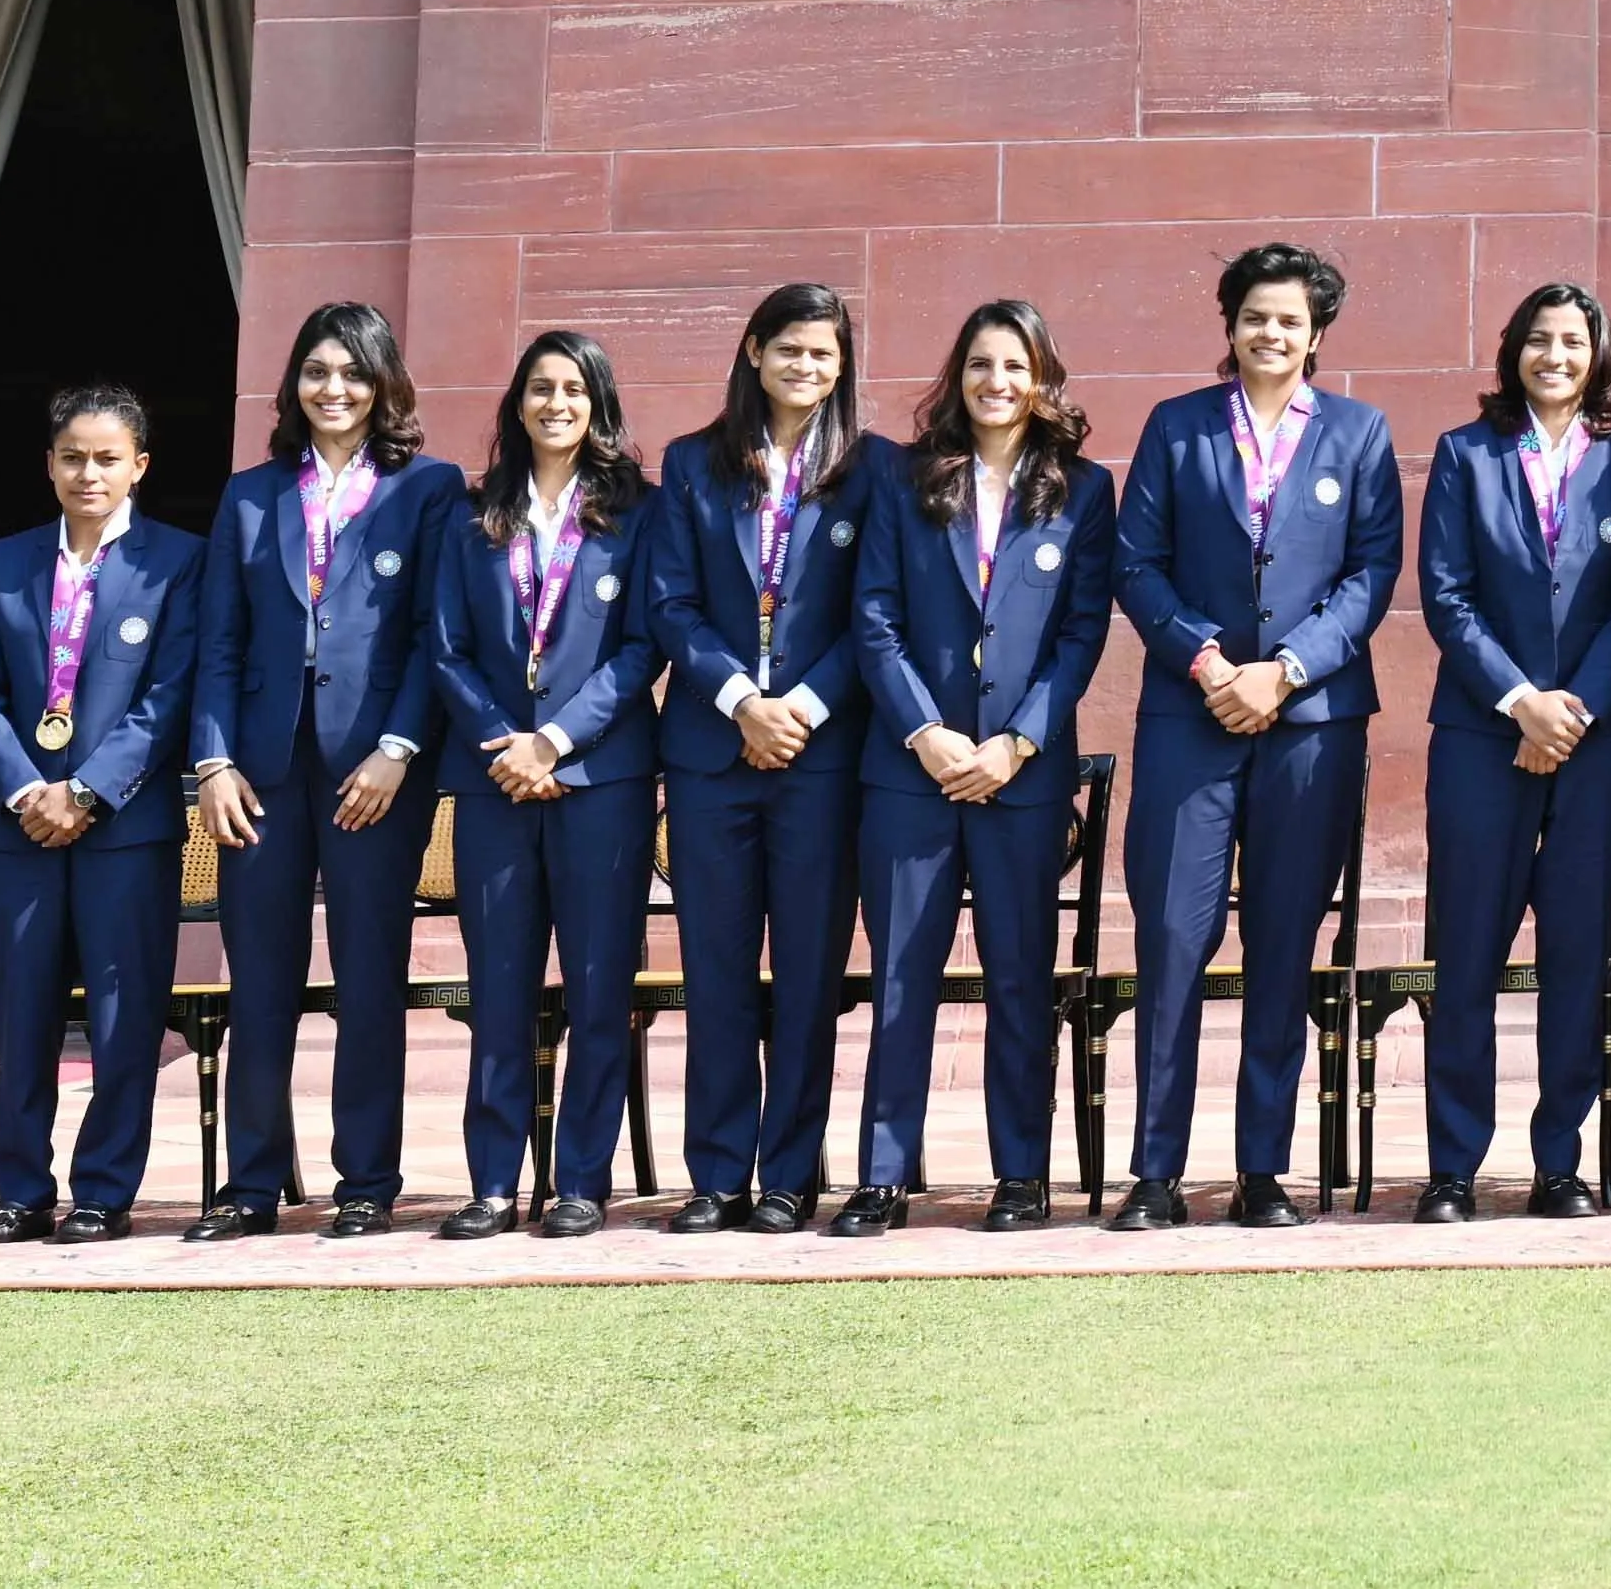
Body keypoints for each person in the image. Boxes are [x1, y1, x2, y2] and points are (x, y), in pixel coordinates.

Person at [1112, 241, 1400, 1230]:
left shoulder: (1359, 434)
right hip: (1191, 716)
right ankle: (1155, 1171)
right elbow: (1137, 563)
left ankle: (1261, 1168)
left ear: (1318, 333)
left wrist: (1286, 671)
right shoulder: (1177, 426)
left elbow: (1369, 577)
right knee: (1175, 938)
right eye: (1254, 315)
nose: (1271, 332)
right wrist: (1208, 662)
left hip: (1310, 722)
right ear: (1228, 324)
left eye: (1290, 319)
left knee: (1282, 942)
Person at [187, 300, 463, 1242]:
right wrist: (213, 761)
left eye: (352, 373)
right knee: (258, 979)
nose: (332, 389)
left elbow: (437, 638)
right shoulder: (250, 494)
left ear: (384, 384)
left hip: (373, 771)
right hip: (260, 770)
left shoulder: (429, 490)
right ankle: (252, 1185)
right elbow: (217, 642)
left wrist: (398, 749)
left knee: (367, 977)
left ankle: (364, 1182)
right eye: (315, 371)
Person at [843, 298, 1115, 1237]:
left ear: (1042, 380)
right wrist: (926, 732)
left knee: (1017, 977)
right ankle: (884, 1173)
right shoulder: (908, 482)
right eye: (979, 367)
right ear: (957, 381)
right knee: (901, 976)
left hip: (1022, 776)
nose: (996, 383)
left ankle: (1021, 1174)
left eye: (1014, 367)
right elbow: (873, 618)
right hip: (910, 772)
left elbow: (1080, 635)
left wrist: (1018, 741)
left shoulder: (1082, 490)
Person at [1415, 282, 1611, 1222]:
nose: (1554, 357)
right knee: (1467, 955)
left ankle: (1558, 1164)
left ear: (1598, 355)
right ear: (1512, 352)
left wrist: (1572, 716)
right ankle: (1453, 1167)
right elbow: (1445, 595)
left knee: (1577, 954)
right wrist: (1523, 704)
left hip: (1597, 746)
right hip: (1483, 736)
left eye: (1573, 342)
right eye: (1538, 340)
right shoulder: (1465, 454)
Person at [640, 280, 888, 1234]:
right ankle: (717, 1174)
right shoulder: (695, 465)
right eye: (789, 348)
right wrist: (743, 700)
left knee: (810, 974)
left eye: (824, 353)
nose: (806, 367)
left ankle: (788, 1172)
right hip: (712, 751)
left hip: (820, 760)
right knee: (716, 968)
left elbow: (878, 612)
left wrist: (805, 709)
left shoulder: (874, 472)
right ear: (752, 351)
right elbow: (669, 605)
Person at [425, 331, 659, 1240]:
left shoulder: (641, 513)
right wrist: (504, 742)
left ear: (598, 405)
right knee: (500, 989)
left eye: (573, 389)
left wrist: (555, 740)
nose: (556, 403)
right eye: (539, 388)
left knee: (599, 984)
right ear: (516, 404)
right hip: (494, 783)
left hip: (601, 779)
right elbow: (444, 647)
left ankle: (580, 1181)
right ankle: (491, 1180)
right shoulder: (472, 515)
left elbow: (645, 644)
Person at [0, 386, 199, 1245]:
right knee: (19, 1017)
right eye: (71, 456)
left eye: (107, 458)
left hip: (124, 829)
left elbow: (168, 698)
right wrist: (29, 792)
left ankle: (103, 1190)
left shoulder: (177, 563)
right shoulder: (5, 561)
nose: (87, 473)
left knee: (123, 1017)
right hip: (16, 828)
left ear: (139, 465)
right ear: (49, 463)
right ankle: (18, 1190)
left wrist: (88, 790)